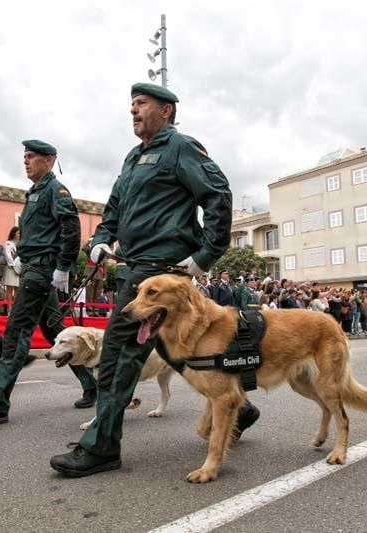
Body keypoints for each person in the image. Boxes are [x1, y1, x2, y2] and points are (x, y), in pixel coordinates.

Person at [50, 82, 254, 478]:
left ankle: (102, 447)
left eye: (141, 104)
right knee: (179, 351)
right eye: (131, 105)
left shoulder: (181, 147)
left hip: (163, 267)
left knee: (117, 355)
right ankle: (242, 410)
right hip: (132, 265)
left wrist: (204, 257)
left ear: (167, 111)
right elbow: (115, 205)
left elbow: (218, 194)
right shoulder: (132, 157)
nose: (133, 110)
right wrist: (102, 238)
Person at [0, 139, 93, 425]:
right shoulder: (35, 192)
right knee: (54, 327)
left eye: (31, 156)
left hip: (42, 273)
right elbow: (39, 233)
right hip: (33, 269)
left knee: (16, 335)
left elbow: (71, 228)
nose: (25, 161)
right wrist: (22, 256)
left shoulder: (56, 190)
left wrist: (63, 267)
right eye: (25, 156)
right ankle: (93, 385)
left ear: (48, 160)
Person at [3, 227, 21, 307]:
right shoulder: (8, 243)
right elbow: (8, 255)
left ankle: (16, 308)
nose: (19, 235)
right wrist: (14, 266)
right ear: (13, 233)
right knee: (10, 289)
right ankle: (9, 308)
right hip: (11, 268)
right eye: (18, 233)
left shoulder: (21, 244)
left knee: (18, 289)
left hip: (20, 269)